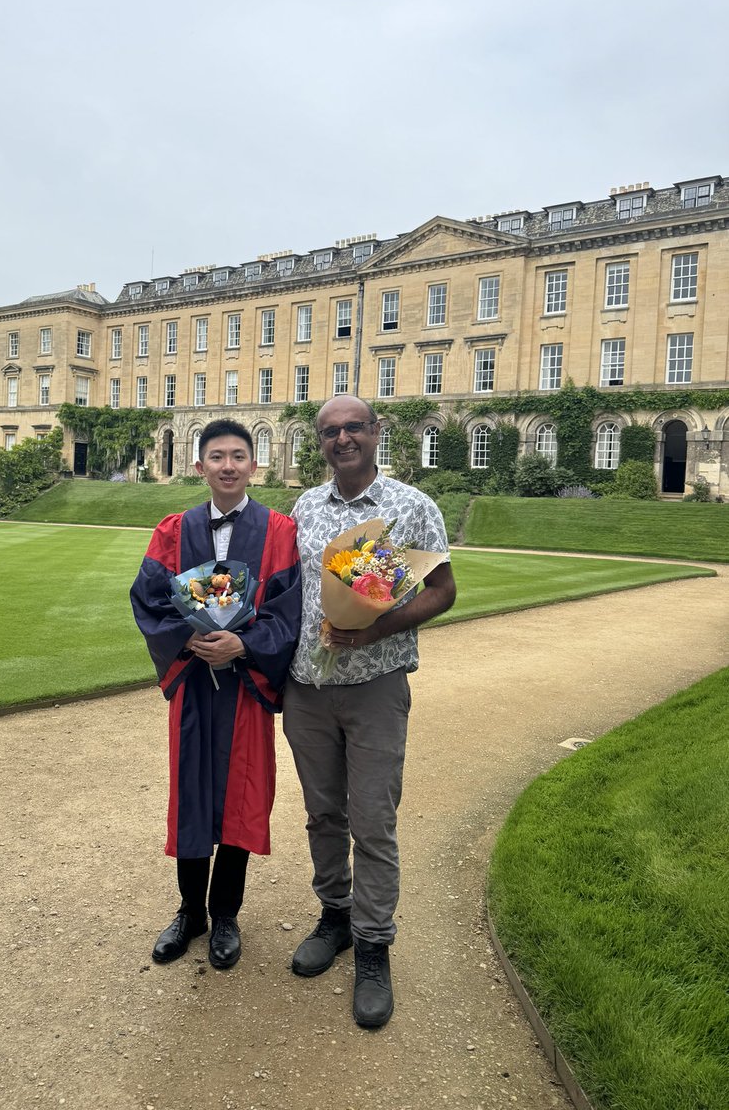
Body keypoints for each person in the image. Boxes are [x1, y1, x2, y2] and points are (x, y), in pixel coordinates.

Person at [283, 395, 456, 1028]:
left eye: (354, 427)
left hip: (376, 685)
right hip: (306, 688)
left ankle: (374, 943)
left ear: (376, 433)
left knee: (373, 820)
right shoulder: (304, 506)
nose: (343, 439)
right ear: (321, 443)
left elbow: (442, 590)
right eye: (330, 432)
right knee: (322, 812)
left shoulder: (411, 507)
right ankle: (335, 916)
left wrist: (376, 628)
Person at [130, 419, 301, 970]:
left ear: (256, 464)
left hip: (245, 688)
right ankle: (190, 912)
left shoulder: (279, 531)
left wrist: (243, 647)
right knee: (193, 792)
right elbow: (150, 599)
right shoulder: (172, 531)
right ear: (199, 466)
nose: (228, 466)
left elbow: (286, 610)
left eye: (238, 456)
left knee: (241, 794)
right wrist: (195, 639)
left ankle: (225, 914)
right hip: (196, 685)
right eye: (217, 456)